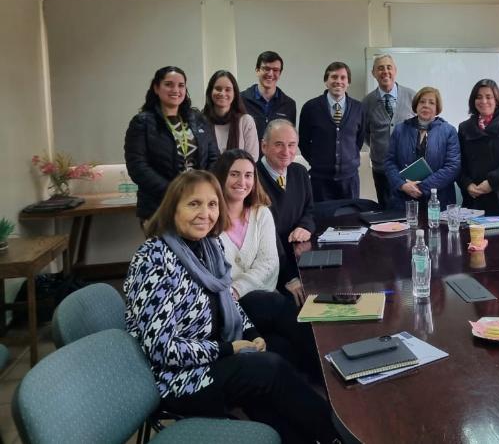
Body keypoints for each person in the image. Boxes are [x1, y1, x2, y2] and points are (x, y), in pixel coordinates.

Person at [123, 171, 339, 444]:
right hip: (177, 378)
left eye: (212, 204)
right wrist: (228, 349)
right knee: (267, 369)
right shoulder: (153, 258)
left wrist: (250, 335)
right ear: (172, 207)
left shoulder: (207, 246)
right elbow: (161, 348)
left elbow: (229, 302)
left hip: (210, 350)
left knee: (276, 353)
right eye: (194, 204)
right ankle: (337, 434)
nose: (205, 213)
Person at [213, 149, 318, 376]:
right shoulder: (209, 219)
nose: (242, 181)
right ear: (220, 177)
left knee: (284, 351)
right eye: (234, 174)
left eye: (249, 175)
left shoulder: (261, 213)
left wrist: (238, 288)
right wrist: (234, 293)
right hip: (231, 308)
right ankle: (329, 369)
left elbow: (269, 264)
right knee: (281, 311)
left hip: (257, 300)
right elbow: (216, 275)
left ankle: (330, 378)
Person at [125, 66, 219, 222]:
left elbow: (214, 157)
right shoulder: (142, 122)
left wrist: (202, 189)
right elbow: (138, 166)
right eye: (169, 84)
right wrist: (175, 192)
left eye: (181, 85)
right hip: (160, 206)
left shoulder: (198, 119)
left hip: (198, 204)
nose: (176, 89)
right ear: (156, 88)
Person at [257, 119, 313, 301]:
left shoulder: (300, 172)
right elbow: (265, 239)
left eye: (291, 145)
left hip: (300, 257)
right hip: (272, 267)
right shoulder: (252, 179)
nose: (286, 152)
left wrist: (305, 226)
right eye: (279, 145)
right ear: (264, 146)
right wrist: (288, 276)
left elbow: (310, 210)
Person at [385, 86, 460, 210]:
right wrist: (402, 185)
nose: (426, 105)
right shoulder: (400, 129)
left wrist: (422, 187)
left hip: (438, 200)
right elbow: (389, 162)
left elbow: (452, 167)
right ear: (416, 105)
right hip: (404, 199)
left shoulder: (449, 131)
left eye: (431, 102)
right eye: (422, 101)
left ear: (437, 108)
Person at [298, 62, 364, 201]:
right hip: (320, 180)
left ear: (348, 82)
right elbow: (303, 142)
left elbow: (359, 140)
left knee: (350, 220)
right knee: (322, 220)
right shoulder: (311, 108)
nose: (338, 81)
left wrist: (348, 160)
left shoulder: (359, 108)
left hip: (349, 180)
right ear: (326, 81)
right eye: (334, 77)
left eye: (343, 78)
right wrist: (318, 162)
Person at [458, 79, 499, 215]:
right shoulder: (464, 127)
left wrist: (492, 183)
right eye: (478, 97)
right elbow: (459, 162)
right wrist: (467, 185)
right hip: (473, 198)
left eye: (489, 97)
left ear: (497, 100)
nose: (483, 101)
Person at [362, 54, 416, 208]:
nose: (385, 71)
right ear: (373, 73)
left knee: (411, 211)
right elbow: (365, 133)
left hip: (409, 169)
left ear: (395, 71)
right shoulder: (367, 102)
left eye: (388, 67)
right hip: (382, 169)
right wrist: (380, 147)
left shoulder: (412, 96)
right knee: (386, 212)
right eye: (380, 68)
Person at [241, 51, 297, 142]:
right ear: (257, 71)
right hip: (248, 156)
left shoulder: (289, 105)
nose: (270, 74)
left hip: (276, 156)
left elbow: (289, 138)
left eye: (275, 70)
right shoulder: (241, 100)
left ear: (280, 73)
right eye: (266, 69)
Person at [203, 70, 259, 160]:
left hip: (240, 173)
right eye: (218, 89)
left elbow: (252, 158)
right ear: (210, 91)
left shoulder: (246, 121)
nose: (222, 93)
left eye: (228, 89)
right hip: (208, 174)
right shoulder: (201, 121)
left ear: (235, 93)